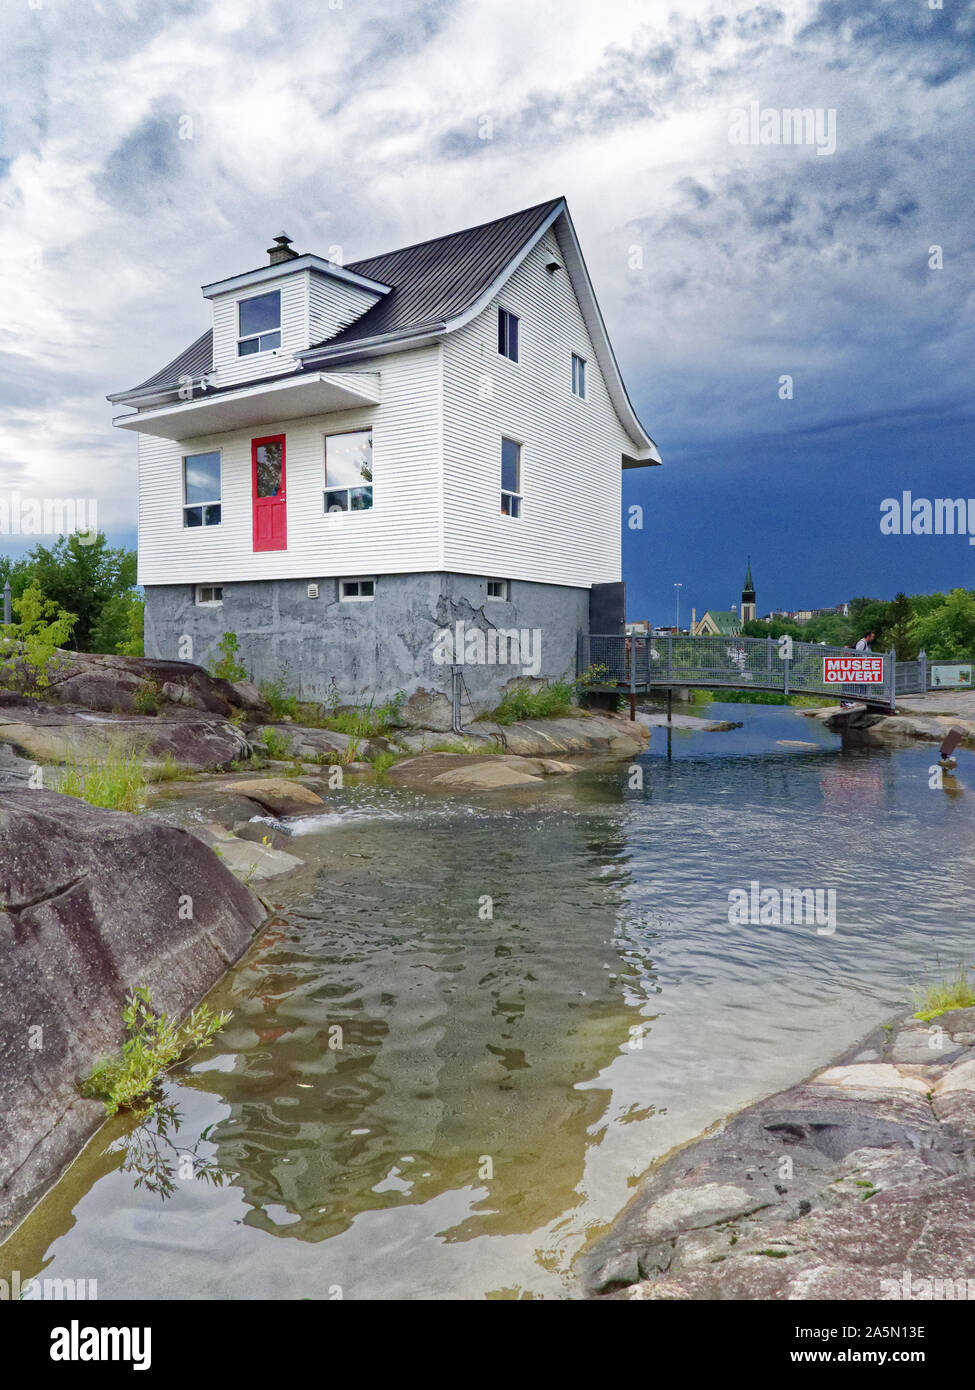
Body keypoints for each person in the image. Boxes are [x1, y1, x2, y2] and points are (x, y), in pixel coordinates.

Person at [841, 630, 876, 707]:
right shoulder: (862, 643)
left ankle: (860, 699)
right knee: (855, 684)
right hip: (859, 667)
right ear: (868, 636)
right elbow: (856, 654)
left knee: (861, 684)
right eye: (872, 636)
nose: (873, 638)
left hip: (862, 667)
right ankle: (849, 701)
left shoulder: (866, 644)